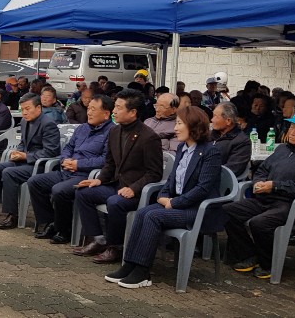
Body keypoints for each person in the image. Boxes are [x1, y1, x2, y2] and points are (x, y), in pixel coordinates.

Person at [105, 106, 223, 289]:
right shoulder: (184, 147)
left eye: (179, 124)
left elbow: (203, 189)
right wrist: (163, 196)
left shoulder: (210, 152)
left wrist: (175, 202)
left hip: (198, 210)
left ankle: (143, 272)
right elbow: (172, 179)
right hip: (177, 204)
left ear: (193, 126)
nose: (175, 128)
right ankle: (129, 264)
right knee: (142, 212)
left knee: (153, 216)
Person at [224, 109, 295, 280]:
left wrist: (276, 186)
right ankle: (249, 255)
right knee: (228, 211)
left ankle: (268, 264)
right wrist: (257, 182)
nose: (292, 131)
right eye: (291, 127)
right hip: (265, 199)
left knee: (260, 223)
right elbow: (262, 169)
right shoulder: (282, 150)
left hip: (292, 205)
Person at [72, 88, 163, 264]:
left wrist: (134, 188)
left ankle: (115, 247)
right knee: (84, 192)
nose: (114, 111)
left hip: (136, 191)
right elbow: (110, 164)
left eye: (119, 108)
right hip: (116, 184)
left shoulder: (148, 137)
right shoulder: (114, 131)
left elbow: (155, 173)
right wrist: (99, 179)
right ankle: (98, 239)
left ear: (133, 112)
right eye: (115, 106)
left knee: (115, 203)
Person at [30, 95, 115, 244]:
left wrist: (78, 164)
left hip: (86, 175)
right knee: (35, 182)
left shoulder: (112, 132)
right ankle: (51, 223)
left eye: (93, 110)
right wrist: (65, 160)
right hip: (67, 171)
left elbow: (105, 159)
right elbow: (68, 147)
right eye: (88, 109)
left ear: (106, 114)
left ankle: (64, 230)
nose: (89, 113)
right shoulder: (82, 128)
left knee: (59, 190)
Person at [0, 93, 60, 229]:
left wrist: (25, 156)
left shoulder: (48, 124)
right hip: (25, 160)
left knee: (9, 172)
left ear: (39, 108)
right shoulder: (24, 122)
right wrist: (18, 151)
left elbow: (51, 151)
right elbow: (23, 143)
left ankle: (12, 215)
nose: (24, 112)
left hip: (39, 165)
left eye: (28, 109)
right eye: (22, 109)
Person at [210, 102, 253, 179]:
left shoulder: (241, 141)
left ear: (228, 121)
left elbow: (233, 169)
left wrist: (206, 173)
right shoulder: (210, 136)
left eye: (215, 116)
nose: (212, 120)